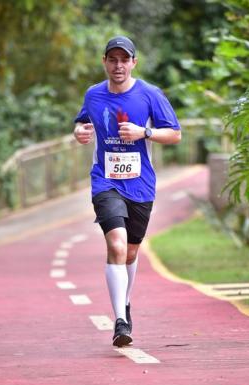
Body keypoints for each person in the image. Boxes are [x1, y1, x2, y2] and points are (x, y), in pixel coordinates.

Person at [74, 35, 181, 347]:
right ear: (104, 62)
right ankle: (120, 320)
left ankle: (126, 303)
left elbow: (175, 134)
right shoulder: (93, 95)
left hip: (140, 184)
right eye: (112, 59)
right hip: (105, 181)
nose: (118, 65)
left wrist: (143, 132)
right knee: (117, 246)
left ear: (133, 62)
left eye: (124, 59)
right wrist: (79, 132)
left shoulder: (149, 94)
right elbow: (82, 123)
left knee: (131, 251)